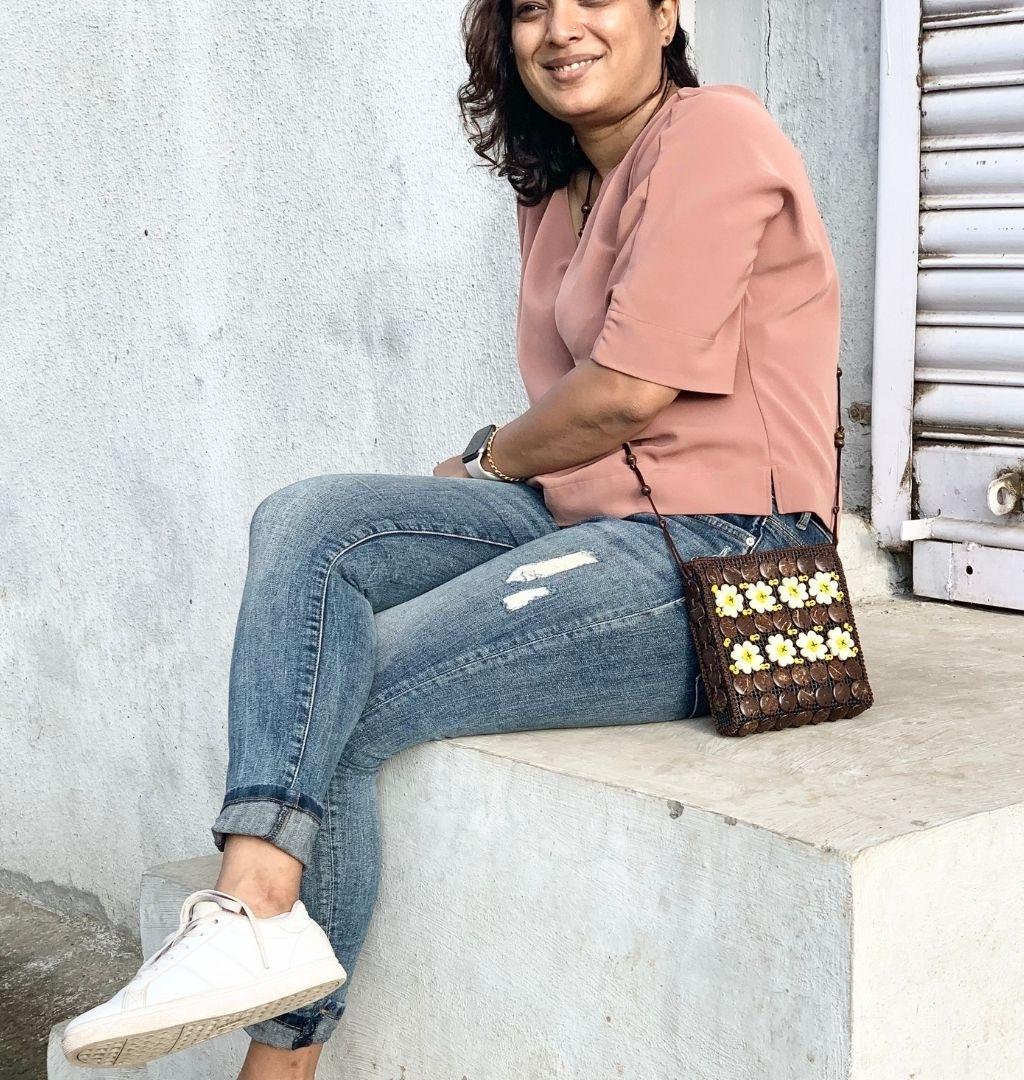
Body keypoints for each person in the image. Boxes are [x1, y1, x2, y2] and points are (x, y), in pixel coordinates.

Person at [61, 0, 842, 1076]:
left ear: (667, 14)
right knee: (308, 521)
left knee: (347, 688)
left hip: (719, 555)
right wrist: (505, 464)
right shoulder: (557, 188)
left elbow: (625, 392)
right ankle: (250, 913)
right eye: (529, 8)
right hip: (586, 516)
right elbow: (584, 416)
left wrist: (487, 462)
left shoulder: (720, 131)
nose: (560, 28)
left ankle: (278, 1053)